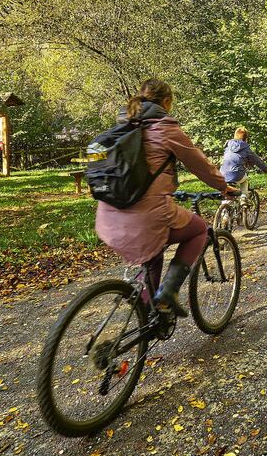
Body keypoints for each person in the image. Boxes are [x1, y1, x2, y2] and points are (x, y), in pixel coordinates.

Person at [93, 79, 237, 317]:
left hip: (108, 216)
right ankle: (168, 293)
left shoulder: (122, 126)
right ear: (167, 102)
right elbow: (199, 165)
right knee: (200, 230)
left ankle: (147, 312)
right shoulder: (165, 128)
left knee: (154, 249)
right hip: (147, 216)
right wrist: (224, 187)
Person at [220, 127, 267, 198]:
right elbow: (256, 160)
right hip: (236, 174)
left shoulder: (227, 147)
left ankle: (224, 207)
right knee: (244, 180)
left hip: (222, 174)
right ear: (246, 138)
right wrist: (265, 169)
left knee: (227, 195)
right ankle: (244, 197)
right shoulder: (246, 148)